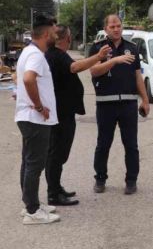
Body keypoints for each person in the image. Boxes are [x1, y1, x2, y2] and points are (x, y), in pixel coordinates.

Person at [45, 25, 110, 206]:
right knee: (57, 153)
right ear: (66, 38)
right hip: (60, 113)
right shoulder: (56, 54)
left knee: (60, 153)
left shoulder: (58, 54)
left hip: (64, 111)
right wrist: (97, 57)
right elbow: (74, 67)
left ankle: (56, 188)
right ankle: (53, 194)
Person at [89, 14, 150, 195]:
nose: (116, 29)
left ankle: (131, 180)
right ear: (106, 29)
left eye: (118, 25)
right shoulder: (98, 47)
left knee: (131, 145)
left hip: (128, 104)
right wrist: (114, 60)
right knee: (103, 144)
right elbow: (94, 71)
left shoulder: (132, 48)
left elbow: (137, 76)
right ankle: (100, 179)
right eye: (112, 26)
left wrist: (145, 100)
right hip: (105, 104)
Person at [15, 14, 60, 225]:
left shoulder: (28, 52)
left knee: (28, 162)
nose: (56, 35)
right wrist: (40, 107)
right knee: (35, 164)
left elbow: (22, 81)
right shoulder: (36, 56)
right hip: (35, 119)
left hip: (27, 117)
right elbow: (28, 78)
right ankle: (33, 211)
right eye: (53, 32)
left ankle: (29, 204)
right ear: (44, 34)